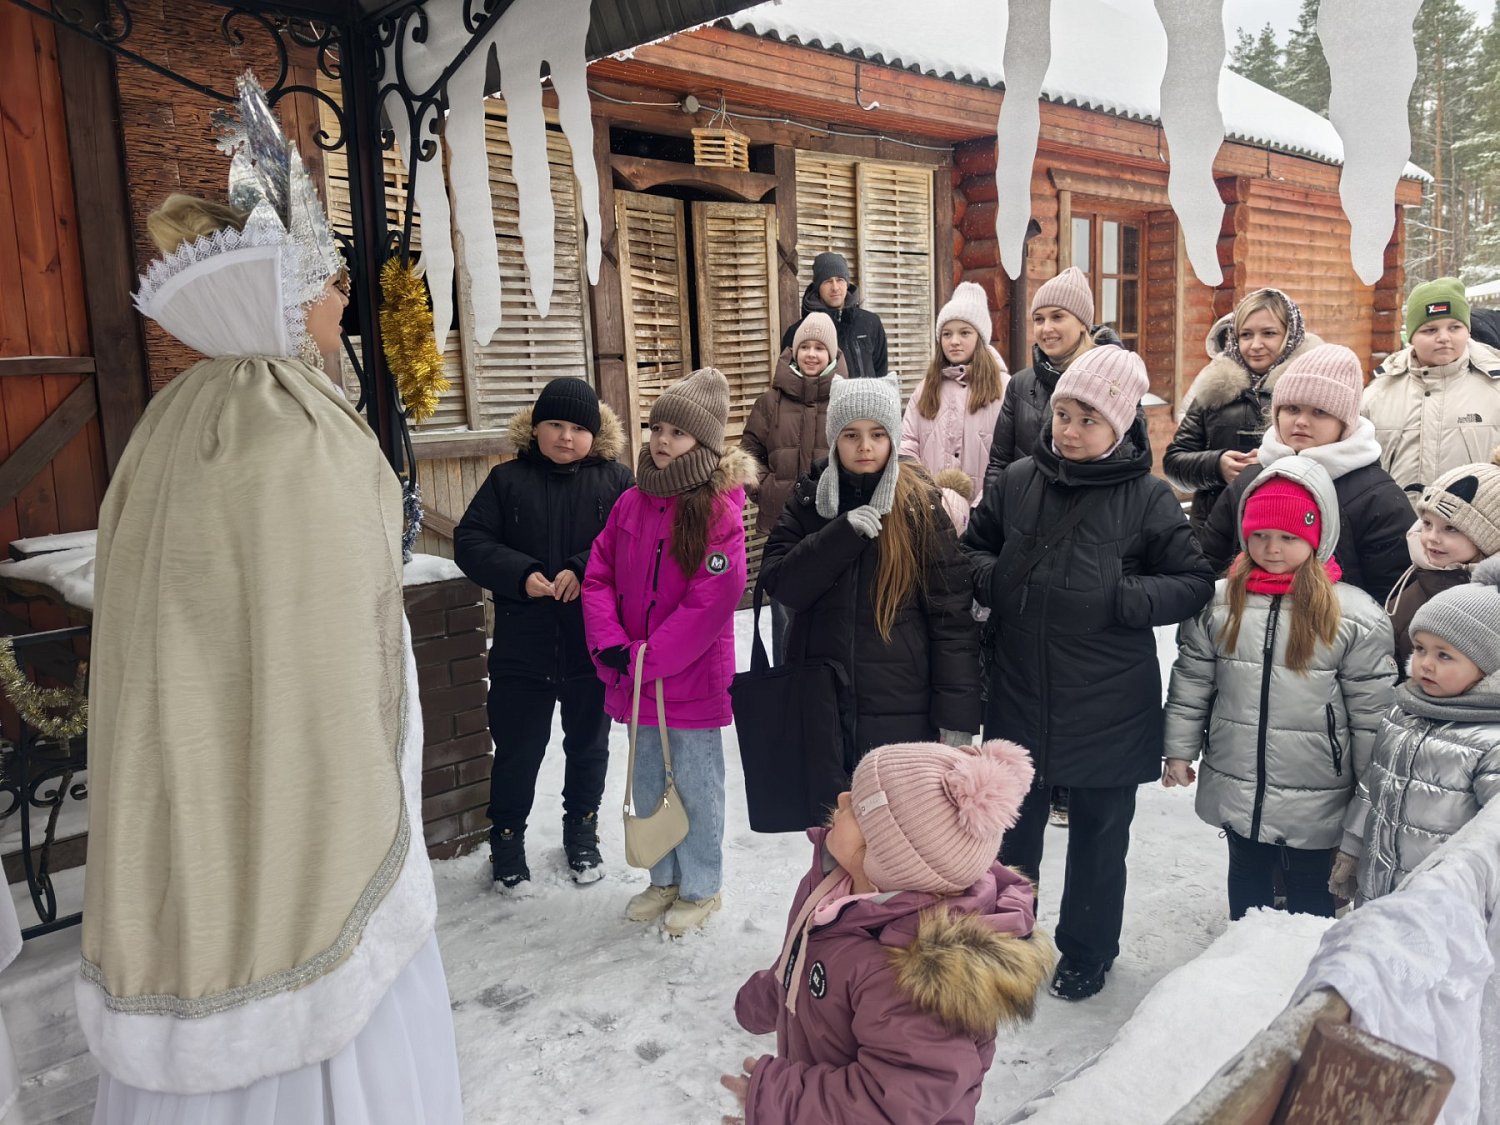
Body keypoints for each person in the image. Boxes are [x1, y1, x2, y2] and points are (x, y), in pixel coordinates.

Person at [78, 73, 460, 1121]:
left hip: (203, 752)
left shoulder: (176, 420)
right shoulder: (285, 428)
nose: (344, 301)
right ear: (286, 295)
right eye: (330, 282)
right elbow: (333, 627)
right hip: (304, 773)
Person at [962, 346, 1216, 1000]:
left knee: (1100, 840)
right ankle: (1005, 941)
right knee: (1011, 834)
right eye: (1062, 415)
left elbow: (1192, 581)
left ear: (1120, 425)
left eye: (1088, 419)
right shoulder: (1018, 480)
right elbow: (972, 550)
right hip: (1020, 690)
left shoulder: (1148, 497)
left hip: (1109, 702)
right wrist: (996, 578)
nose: (1069, 431)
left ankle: (1087, 951)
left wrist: (1124, 598)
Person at [722, 739, 1052, 1125]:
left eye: (857, 807)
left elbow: (892, 1103)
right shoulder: (839, 885)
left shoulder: (911, 979)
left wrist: (780, 1102)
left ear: (883, 855)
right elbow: (813, 958)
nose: (842, 798)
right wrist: (772, 995)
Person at [1164, 460, 1397, 920]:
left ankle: (1304, 957)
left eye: (1289, 537)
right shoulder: (1219, 604)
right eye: (1260, 535)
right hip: (1237, 774)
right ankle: (1243, 951)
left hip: (1320, 784)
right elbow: (1192, 681)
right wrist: (1178, 750)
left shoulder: (1353, 615)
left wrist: (1370, 789)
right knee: (1246, 871)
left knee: (1311, 884)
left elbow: (1372, 713)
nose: (1272, 548)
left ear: (1318, 536)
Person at [582, 367, 752, 936]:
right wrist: (611, 644)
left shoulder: (718, 509)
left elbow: (713, 597)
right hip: (635, 675)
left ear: (702, 443)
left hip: (689, 679)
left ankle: (701, 886)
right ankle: (664, 878)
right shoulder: (630, 502)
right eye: (657, 428)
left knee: (697, 786)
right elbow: (598, 575)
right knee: (649, 780)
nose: (662, 440)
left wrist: (647, 658)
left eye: (678, 433)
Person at [454, 377, 633, 891]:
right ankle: (507, 841)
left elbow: (629, 542)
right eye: (555, 424)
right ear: (536, 428)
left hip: (590, 645)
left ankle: (582, 833)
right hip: (522, 646)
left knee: (589, 747)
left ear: (594, 434)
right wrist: (521, 573)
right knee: (518, 749)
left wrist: (582, 567)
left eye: (578, 428)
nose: (565, 436)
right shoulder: (506, 480)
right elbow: (470, 540)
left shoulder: (617, 482)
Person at [760, 374, 981, 763]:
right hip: (820, 702)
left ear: (892, 438)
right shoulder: (810, 500)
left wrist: (955, 715)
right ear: (834, 439)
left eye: (877, 434)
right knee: (830, 803)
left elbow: (951, 617)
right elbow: (782, 585)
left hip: (902, 707)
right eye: (851, 435)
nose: (865, 446)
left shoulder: (919, 504)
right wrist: (839, 536)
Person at [1333, 557, 1500, 904]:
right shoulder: (1403, 711)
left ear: (1489, 666)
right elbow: (1373, 785)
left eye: (1444, 655)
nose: (1425, 663)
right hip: (1378, 889)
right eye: (1421, 648)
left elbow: (1492, 837)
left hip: (1444, 906)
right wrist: (1352, 847)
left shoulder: (1491, 741)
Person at [1197, 343, 1411, 603]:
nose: (1300, 421)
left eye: (1319, 412)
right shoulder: (1250, 481)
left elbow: (1392, 595)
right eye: (1292, 408)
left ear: (1345, 422)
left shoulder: (1377, 496)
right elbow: (1208, 565)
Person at [1165, 288, 1321, 533]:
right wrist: (1217, 466)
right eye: (1246, 335)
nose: (1255, 345)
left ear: (1291, 335)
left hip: (1286, 533)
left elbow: (1332, 459)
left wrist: (1274, 464)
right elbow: (1175, 463)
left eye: (1269, 333)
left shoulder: (1312, 390)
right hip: (1214, 534)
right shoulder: (1214, 390)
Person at [741, 311, 846, 662]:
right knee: (784, 611)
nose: (812, 354)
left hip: (831, 525)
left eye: (820, 347)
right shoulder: (769, 402)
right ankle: (786, 679)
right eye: (805, 346)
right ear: (794, 351)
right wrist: (766, 489)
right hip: (783, 526)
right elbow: (748, 454)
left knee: (832, 614)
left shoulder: (844, 399)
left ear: (832, 354)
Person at [982, 266, 1123, 490]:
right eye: (1039, 319)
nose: (1046, 328)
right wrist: (995, 508)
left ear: (1082, 323)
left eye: (1057, 317)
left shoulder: (1113, 383)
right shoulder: (1020, 385)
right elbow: (999, 464)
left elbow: (1126, 462)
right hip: (1023, 509)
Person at [1364, 277, 1500, 501]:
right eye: (1430, 330)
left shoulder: (1494, 388)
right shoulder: (1378, 393)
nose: (1443, 338)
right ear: (1412, 336)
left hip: (1473, 521)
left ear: (1467, 331)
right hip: (1397, 520)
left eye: (1454, 327)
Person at [1386, 457, 1500, 672]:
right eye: (1427, 523)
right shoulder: (1404, 602)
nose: (1431, 537)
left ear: (1489, 537)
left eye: (1451, 528)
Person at [900, 280, 1010, 504]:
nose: (954, 341)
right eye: (947, 334)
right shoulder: (926, 388)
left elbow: (1008, 456)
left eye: (964, 333)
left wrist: (984, 507)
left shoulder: (1005, 388)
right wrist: (923, 494)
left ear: (980, 337)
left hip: (986, 510)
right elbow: (908, 444)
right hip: (932, 507)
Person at [780, 251, 889, 379]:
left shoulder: (870, 323)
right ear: (817, 287)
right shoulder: (798, 332)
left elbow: (881, 373)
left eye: (840, 280)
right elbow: (789, 380)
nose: (835, 287)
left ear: (847, 283)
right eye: (827, 281)